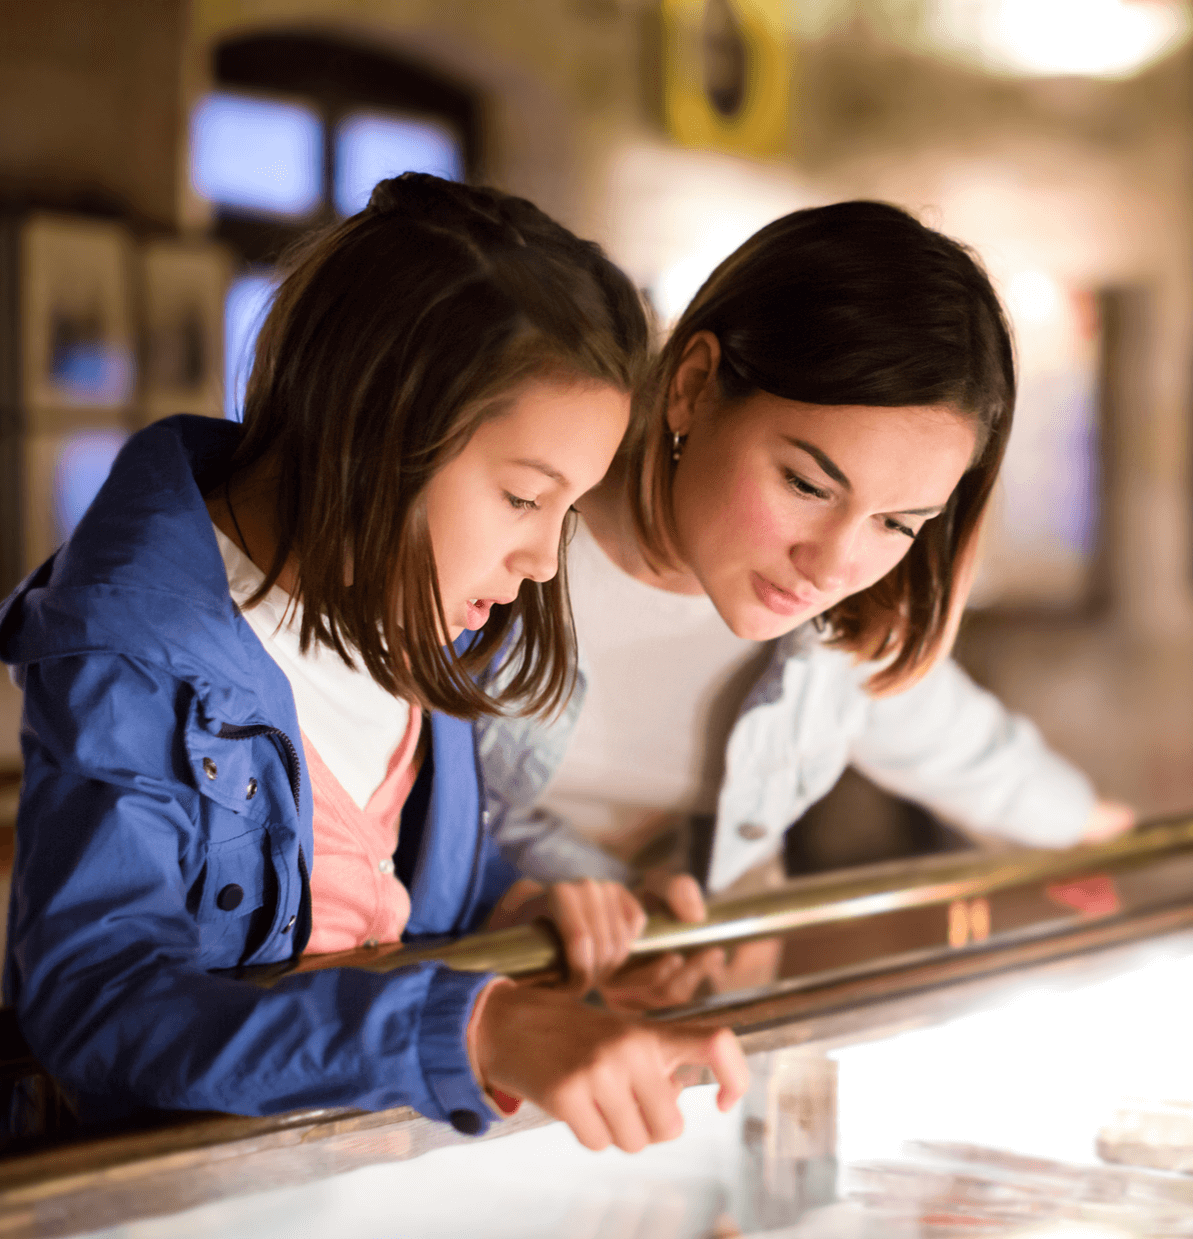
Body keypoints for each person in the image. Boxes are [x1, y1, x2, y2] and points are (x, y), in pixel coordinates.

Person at [0, 176, 747, 1156]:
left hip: (345, 1194)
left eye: (568, 509)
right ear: (373, 434)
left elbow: (374, 882)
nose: (545, 561)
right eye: (523, 498)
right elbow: (100, 1002)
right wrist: (477, 1026)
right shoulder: (132, 655)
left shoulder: (421, 617)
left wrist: (519, 906)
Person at [479, 200, 1133, 917]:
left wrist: (1105, 841)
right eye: (807, 485)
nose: (831, 567)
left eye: (897, 523)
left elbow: (977, 758)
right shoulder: (493, 555)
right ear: (694, 387)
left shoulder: (848, 635)